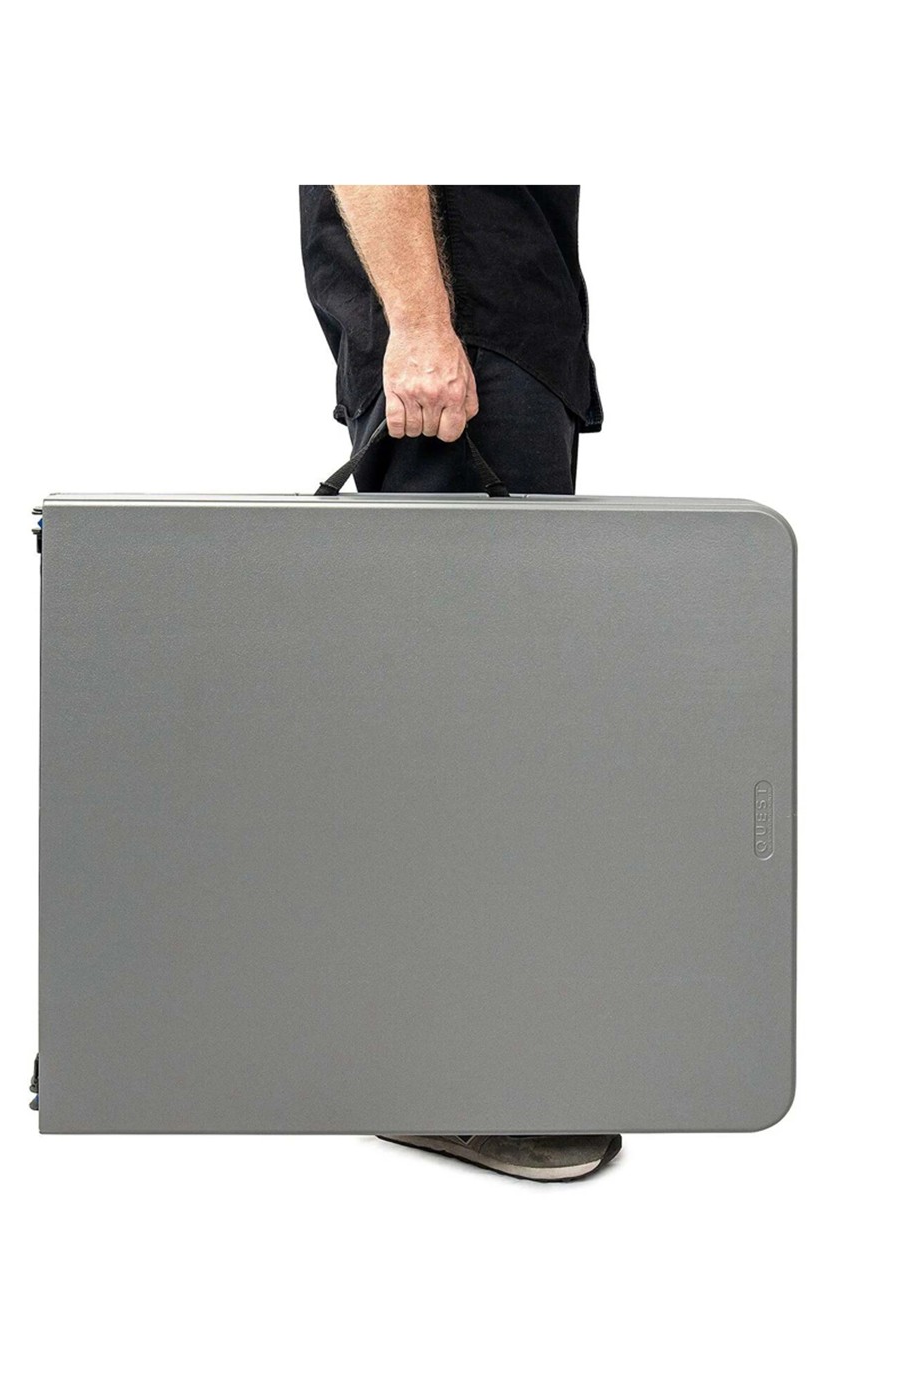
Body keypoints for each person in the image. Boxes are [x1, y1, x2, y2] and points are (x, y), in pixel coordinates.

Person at [299, 185, 621, 1182]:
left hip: (495, 351)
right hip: (462, 359)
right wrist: (420, 326)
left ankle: (483, 1054)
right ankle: (443, 1079)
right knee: (463, 747)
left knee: (494, 738)